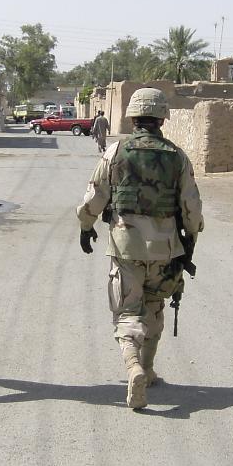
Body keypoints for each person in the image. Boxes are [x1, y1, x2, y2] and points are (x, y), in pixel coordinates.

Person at [77, 88, 203, 410]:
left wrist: (86, 226)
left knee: (127, 312)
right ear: (162, 118)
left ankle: (133, 367)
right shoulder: (177, 156)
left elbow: (94, 198)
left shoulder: (116, 153)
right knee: (155, 305)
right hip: (166, 250)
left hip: (126, 247)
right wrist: (190, 239)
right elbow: (192, 209)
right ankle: (146, 369)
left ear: (133, 117)